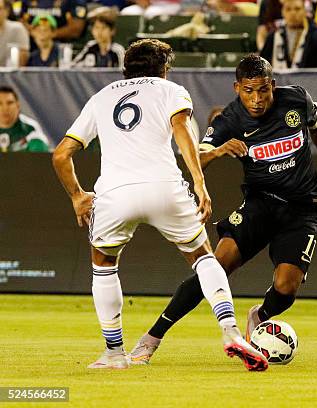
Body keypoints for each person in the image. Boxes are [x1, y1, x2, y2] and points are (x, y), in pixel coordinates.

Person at [51, 39, 268, 371]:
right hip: (165, 187)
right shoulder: (171, 91)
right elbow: (182, 131)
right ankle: (231, 332)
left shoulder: (101, 98)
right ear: (164, 69)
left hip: (114, 193)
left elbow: (61, 155)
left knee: (104, 264)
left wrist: (77, 196)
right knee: (203, 258)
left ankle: (114, 354)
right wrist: (198, 180)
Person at [128, 55, 317, 364]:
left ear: (272, 85)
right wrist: (221, 149)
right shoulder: (229, 120)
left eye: (263, 90)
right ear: (237, 88)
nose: (257, 99)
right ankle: (151, 338)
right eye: (249, 91)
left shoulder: (296, 99)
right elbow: (195, 158)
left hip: (304, 207)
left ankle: (259, 315)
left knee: (286, 286)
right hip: (260, 203)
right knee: (214, 265)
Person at [260, 0, 317, 68]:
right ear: (282, 12)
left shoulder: (316, 37)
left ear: (304, 11)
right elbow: (263, 66)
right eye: (288, 9)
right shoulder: (273, 37)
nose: (293, 13)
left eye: (297, 9)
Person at [0, 86, 50, 152]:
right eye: (0, 103)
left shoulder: (30, 128)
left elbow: (41, 152)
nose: (5, 108)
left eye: (10, 103)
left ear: (18, 105)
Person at [16, 0, 87, 41]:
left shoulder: (75, 1)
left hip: (62, 46)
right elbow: (17, 22)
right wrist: (33, 32)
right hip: (30, 44)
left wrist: (51, 34)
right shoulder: (23, 2)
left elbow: (76, 29)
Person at [0, 0, 29, 67]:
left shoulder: (17, 28)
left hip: (9, 75)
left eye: (0, 8)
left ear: (7, 11)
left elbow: (23, 61)